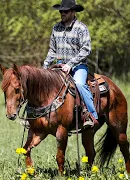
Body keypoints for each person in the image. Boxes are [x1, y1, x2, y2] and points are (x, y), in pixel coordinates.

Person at [43, 0, 98, 128]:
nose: (62, 13)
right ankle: (42, 117)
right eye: (61, 11)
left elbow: (86, 49)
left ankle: (91, 115)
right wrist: (45, 67)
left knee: (79, 83)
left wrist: (71, 64)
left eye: (65, 11)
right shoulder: (56, 28)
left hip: (78, 66)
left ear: (73, 12)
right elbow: (52, 50)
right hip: (59, 66)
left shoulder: (81, 28)